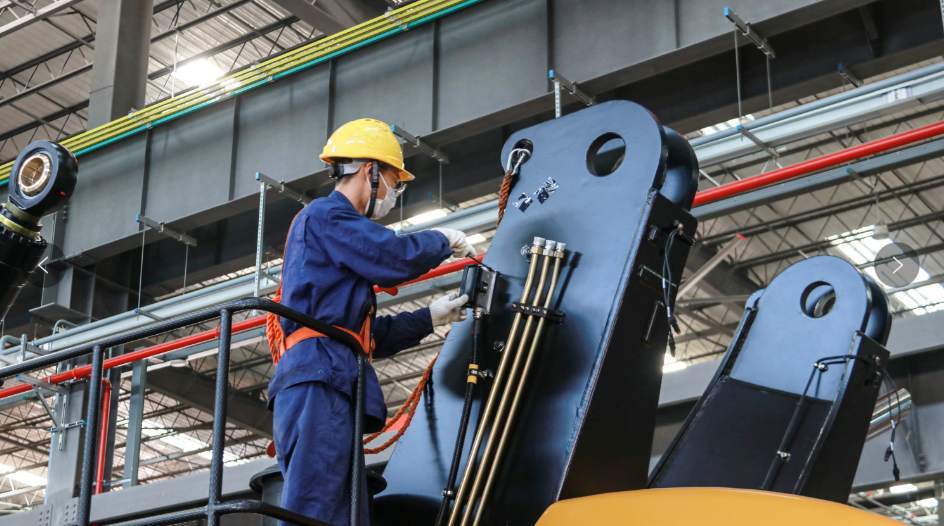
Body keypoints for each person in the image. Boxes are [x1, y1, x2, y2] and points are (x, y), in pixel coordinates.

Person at [269, 118, 476, 526]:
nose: (394, 195)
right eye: (395, 183)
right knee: (318, 508)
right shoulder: (325, 216)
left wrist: (431, 317)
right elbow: (391, 258)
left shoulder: (333, 253)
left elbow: (362, 336)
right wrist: (443, 238)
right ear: (370, 171)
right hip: (318, 381)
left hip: (327, 377)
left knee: (342, 512)